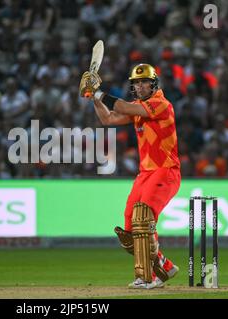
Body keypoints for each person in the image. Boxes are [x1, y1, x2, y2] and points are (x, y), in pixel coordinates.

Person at [80, 64, 181, 289]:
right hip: (145, 173)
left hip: (166, 170)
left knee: (143, 219)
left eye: (144, 81)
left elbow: (123, 107)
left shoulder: (160, 104)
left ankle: (148, 277)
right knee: (128, 230)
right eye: (136, 82)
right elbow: (108, 120)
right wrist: (92, 97)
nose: (140, 85)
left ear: (154, 83)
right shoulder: (137, 107)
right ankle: (164, 265)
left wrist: (97, 91)